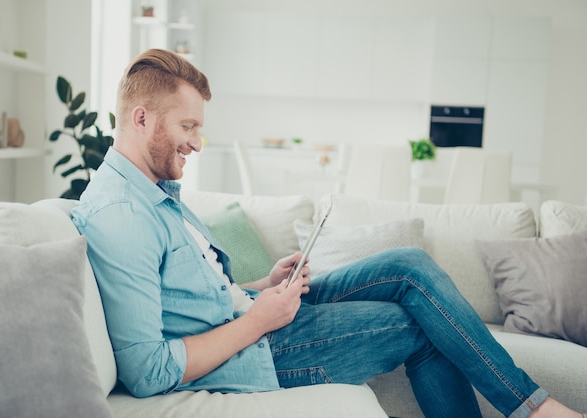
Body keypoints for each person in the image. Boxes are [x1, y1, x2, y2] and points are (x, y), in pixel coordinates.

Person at [71, 49, 583, 418]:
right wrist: (258, 322)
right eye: (188, 128)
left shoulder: (156, 194)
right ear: (141, 119)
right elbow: (146, 370)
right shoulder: (121, 215)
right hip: (254, 351)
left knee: (408, 264)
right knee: (417, 326)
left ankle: (529, 406)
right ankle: (534, 410)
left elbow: (192, 297)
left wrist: (260, 289)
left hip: (256, 319)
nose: (197, 143)